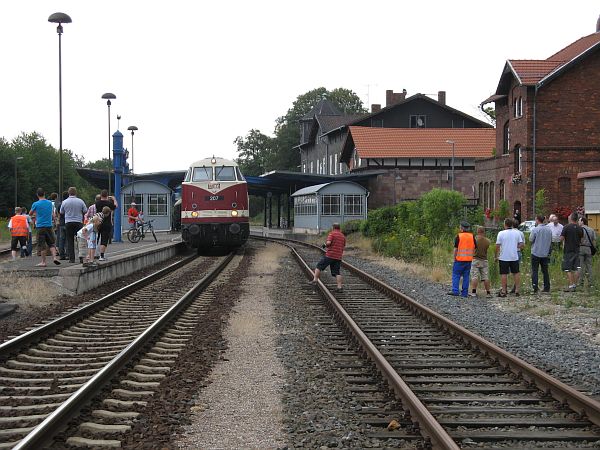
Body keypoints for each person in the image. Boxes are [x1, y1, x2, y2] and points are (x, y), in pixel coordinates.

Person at [309, 223, 346, 292]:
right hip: (338, 256)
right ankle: (339, 287)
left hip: (330, 255)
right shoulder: (343, 236)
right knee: (337, 272)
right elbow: (343, 245)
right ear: (339, 228)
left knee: (319, 266)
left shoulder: (332, 234)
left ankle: (315, 280)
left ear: (333, 227)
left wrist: (325, 245)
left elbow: (328, 243)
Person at [29, 188, 61, 267]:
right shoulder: (50, 203)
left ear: (37, 195)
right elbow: (53, 214)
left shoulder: (35, 204)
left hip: (40, 226)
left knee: (42, 245)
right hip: (49, 226)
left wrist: (36, 213)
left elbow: (30, 213)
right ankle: (54, 258)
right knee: (51, 243)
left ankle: (43, 262)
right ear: (44, 194)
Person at [495, 218, 524, 297]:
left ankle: (504, 290)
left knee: (504, 273)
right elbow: (521, 244)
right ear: (511, 224)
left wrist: (496, 256)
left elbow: (497, 246)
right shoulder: (517, 233)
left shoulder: (501, 233)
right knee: (516, 272)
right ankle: (517, 290)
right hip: (514, 256)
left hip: (504, 256)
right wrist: (515, 246)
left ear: (505, 224)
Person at [448, 221, 476, 297]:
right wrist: (471, 256)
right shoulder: (472, 236)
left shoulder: (459, 236)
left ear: (462, 228)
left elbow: (455, 249)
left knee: (456, 275)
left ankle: (455, 291)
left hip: (459, 260)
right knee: (466, 276)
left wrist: (454, 258)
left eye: (460, 227)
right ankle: (464, 293)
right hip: (469, 260)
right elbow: (474, 248)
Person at [60, 187, 88, 263]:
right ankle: (81, 257)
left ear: (69, 193)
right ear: (76, 193)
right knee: (80, 239)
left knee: (70, 240)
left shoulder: (64, 202)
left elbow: (61, 212)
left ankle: (71, 258)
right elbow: (85, 211)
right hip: (78, 222)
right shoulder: (80, 201)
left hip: (68, 222)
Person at [561, 212, 583, 292]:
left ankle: (571, 285)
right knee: (577, 267)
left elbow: (561, 238)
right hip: (577, 249)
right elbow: (582, 239)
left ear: (571, 218)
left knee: (568, 268)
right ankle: (575, 285)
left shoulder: (566, 227)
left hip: (568, 250)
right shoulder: (580, 228)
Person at [530, 215, 553, 294]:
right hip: (545, 253)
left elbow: (531, 239)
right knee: (545, 271)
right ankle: (547, 287)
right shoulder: (549, 230)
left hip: (536, 252)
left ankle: (535, 287)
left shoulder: (535, 229)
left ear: (537, 220)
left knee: (535, 270)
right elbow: (550, 240)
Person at [95, 190, 117, 261]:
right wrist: (114, 199)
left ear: (101, 195)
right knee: (104, 240)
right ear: (107, 195)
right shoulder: (109, 203)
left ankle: (94, 254)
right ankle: (101, 256)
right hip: (107, 224)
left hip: (98, 223)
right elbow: (116, 206)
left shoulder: (97, 203)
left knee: (96, 238)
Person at [470, 226, 491, 298]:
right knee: (486, 277)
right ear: (484, 232)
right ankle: (488, 293)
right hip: (484, 260)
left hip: (475, 259)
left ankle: (473, 292)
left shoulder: (474, 240)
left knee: (474, 276)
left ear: (477, 231)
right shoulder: (487, 241)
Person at [578, 217, 596, 288]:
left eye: (579, 221)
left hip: (581, 248)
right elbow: (594, 241)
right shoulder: (591, 230)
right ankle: (591, 283)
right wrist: (593, 249)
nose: (578, 222)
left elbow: (579, 239)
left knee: (581, 266)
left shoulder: (579, 229)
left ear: (582, 221)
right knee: (589, 266)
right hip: (589, 249)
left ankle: (581, 283)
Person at [56, 191, 68, 259]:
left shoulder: (60, 204)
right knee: (68, 239)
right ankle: (68, 254)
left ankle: (61, 255)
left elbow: (59, 213)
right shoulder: (68, 203)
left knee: (61, 239)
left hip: (61, 223)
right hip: (67, 222)